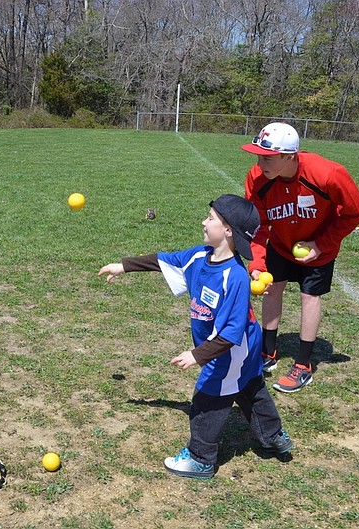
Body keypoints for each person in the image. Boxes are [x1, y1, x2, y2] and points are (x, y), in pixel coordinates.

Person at [98, 194, 293, 479]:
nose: (204, 221)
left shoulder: (235, 277)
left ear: (228, 231)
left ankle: (201, 458)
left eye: (211, 218)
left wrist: (197, 355)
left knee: (207, 398)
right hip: (241, 349)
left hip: (230, 350)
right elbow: (164, 260)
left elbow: (230, 333)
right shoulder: (199, 257)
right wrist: (124, 266)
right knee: (250, 388)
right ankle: (273, 436)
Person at [242, 122, 359, 393]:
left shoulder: (327, 173)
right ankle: (267, 351)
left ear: (290, 156)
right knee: (272, 289)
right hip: (281, 243)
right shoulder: (257, 178)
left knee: (309, 296)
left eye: (267, 157)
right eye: (258, 155)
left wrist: (321, 245)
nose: (260, 163)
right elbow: (259, 225)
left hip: (319, 248)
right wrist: (256, 264)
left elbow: (356, 211)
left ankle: (303, 364)